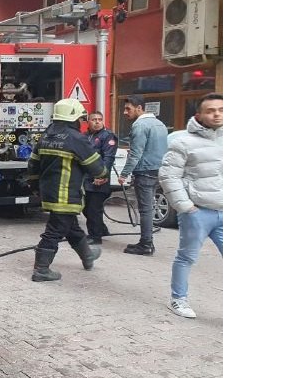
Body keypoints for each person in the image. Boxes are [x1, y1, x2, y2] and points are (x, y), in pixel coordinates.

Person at [27, 99, 107, 282]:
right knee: (55, 230)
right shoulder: (76, 139)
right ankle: (41, 269)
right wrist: (103, 172)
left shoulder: (45, 136)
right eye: (80, 117)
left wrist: (34, 186)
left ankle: (87, 256)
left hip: (48, 193)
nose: (81, 121)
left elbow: (32, 165)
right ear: (73, 118)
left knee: (71, 227)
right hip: (66, 194)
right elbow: (98, 169)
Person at [159, 93, 223, 319]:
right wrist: (185, 206)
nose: (217, 114)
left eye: (221, 109)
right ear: (199, 115)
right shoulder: (183, 142)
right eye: (211, 110)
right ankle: (178, 299)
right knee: (187, 257)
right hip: (198, 211)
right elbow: (168, 176)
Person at [117, 95, 169, 255]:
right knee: (149, 207)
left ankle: (146, 244)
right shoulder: (160, 124)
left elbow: (135, 154)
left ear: (139, 108)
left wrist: (124, 174)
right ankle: (146, 242)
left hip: (144, 171)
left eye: (128, 109)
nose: (125, 112)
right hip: (157, 170)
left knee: (145, 210)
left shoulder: (139, 125)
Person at [82, 111, 118, 244]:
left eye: (100, 119)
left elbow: (108, 158)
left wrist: (102, 176)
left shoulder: (107, 136)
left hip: (100, 179)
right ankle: (101, 229)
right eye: (94, 119)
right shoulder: (85, 136)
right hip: (86, 178)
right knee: (86, 208)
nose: (97, 122)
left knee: (93, 209)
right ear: (88, 122)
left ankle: (95, 237)